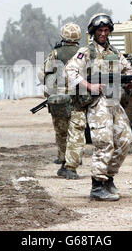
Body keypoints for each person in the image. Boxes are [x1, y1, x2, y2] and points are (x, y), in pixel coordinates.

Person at [65, 13, 132, 201]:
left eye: (106, 30)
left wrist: (130, 81)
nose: (103, 34)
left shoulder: (115, 52)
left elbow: (128, 70)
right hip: (98, 103)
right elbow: (70, 70)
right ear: (93, 32)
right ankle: (97, 185)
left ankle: (108, 178)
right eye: (100, 31)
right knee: (104, 142)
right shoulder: (86, 52)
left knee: (125, 140)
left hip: (114, 101)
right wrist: (89, 86)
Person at [38, 22, 86, 178]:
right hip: (79, 99)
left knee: (61, 132)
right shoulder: (83, 53)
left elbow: (44, 75)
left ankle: (63, 159)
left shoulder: (55, 53)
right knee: (76, 132)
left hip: (59, 100)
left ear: (62, 35)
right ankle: (71, 165)